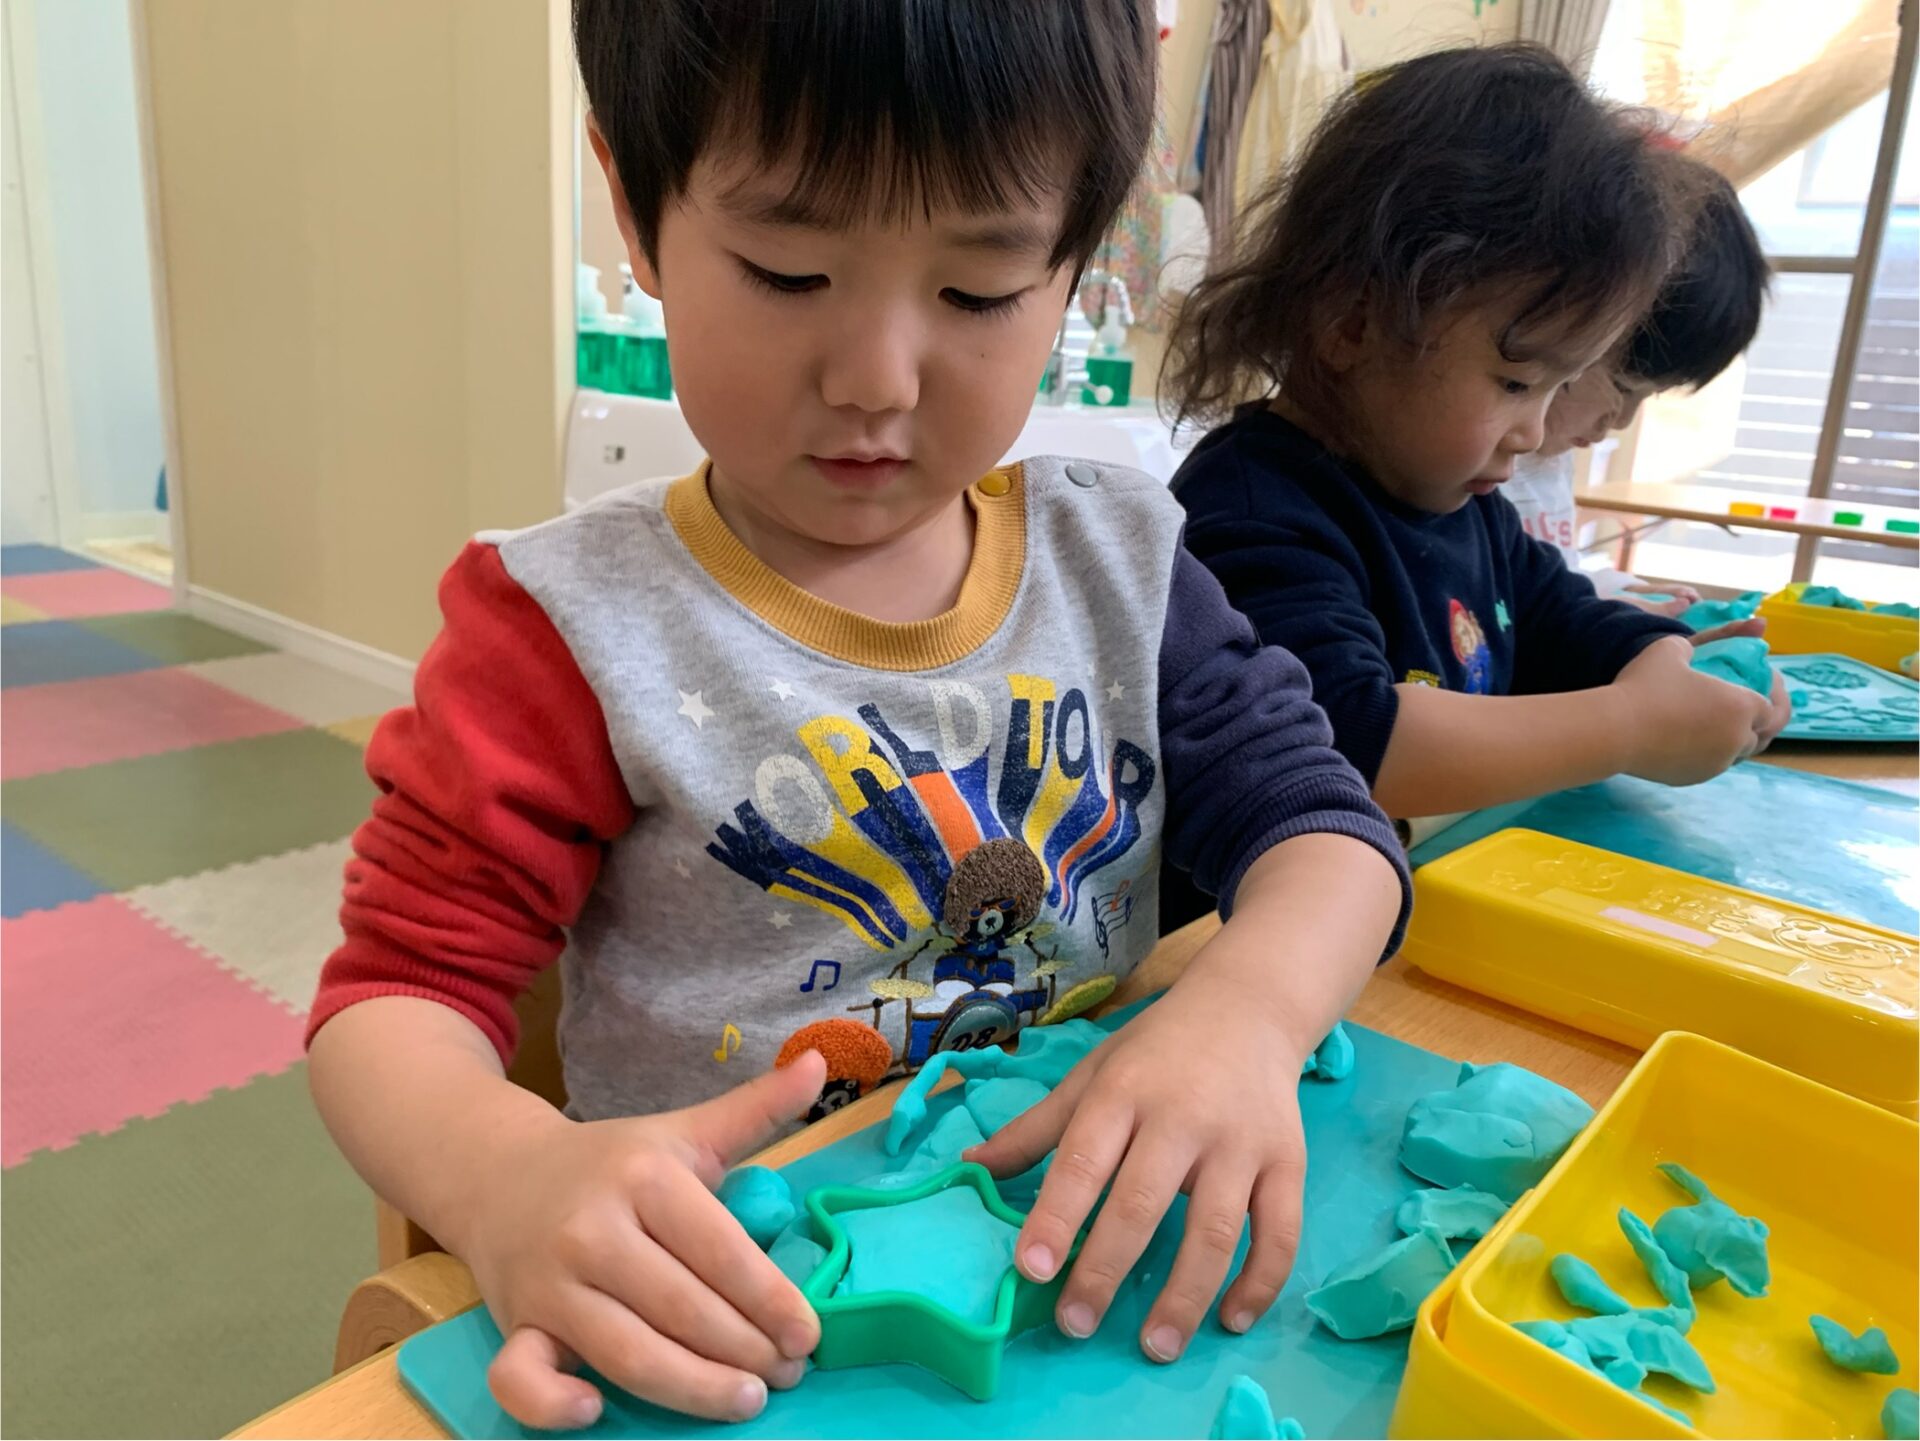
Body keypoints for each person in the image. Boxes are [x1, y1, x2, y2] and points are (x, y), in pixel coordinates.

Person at [304, 2, 1409, 1430]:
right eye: (789, 271)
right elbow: (392, 1000)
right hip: (738, 1314)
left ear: (1075, 262)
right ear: (637, 211)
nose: (877, 379)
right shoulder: (571, 629)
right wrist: (501, 1173)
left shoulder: (1123, 566)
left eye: (979, 290)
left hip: (1069, 1271)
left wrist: (1246, 1014)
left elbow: (1332, 832)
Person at [1156, 44, 1792, 851]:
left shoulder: (1463, 503)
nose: (1536, 432)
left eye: (1563, 386)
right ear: (1353, 323)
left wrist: (1672, 661)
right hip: (1262, 911)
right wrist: (1631, 723)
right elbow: (1350, 740)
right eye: (1517, 382)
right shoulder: (1250, 508)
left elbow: (1563, 620)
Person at [1504, 164, 1771, 617]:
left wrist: (1618, 588)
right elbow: (1481, 610)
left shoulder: (1550, 460)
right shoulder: (1481, 461)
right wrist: (1594, 614)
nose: (1621, 422)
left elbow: (1555, 574)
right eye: (1622, 387)